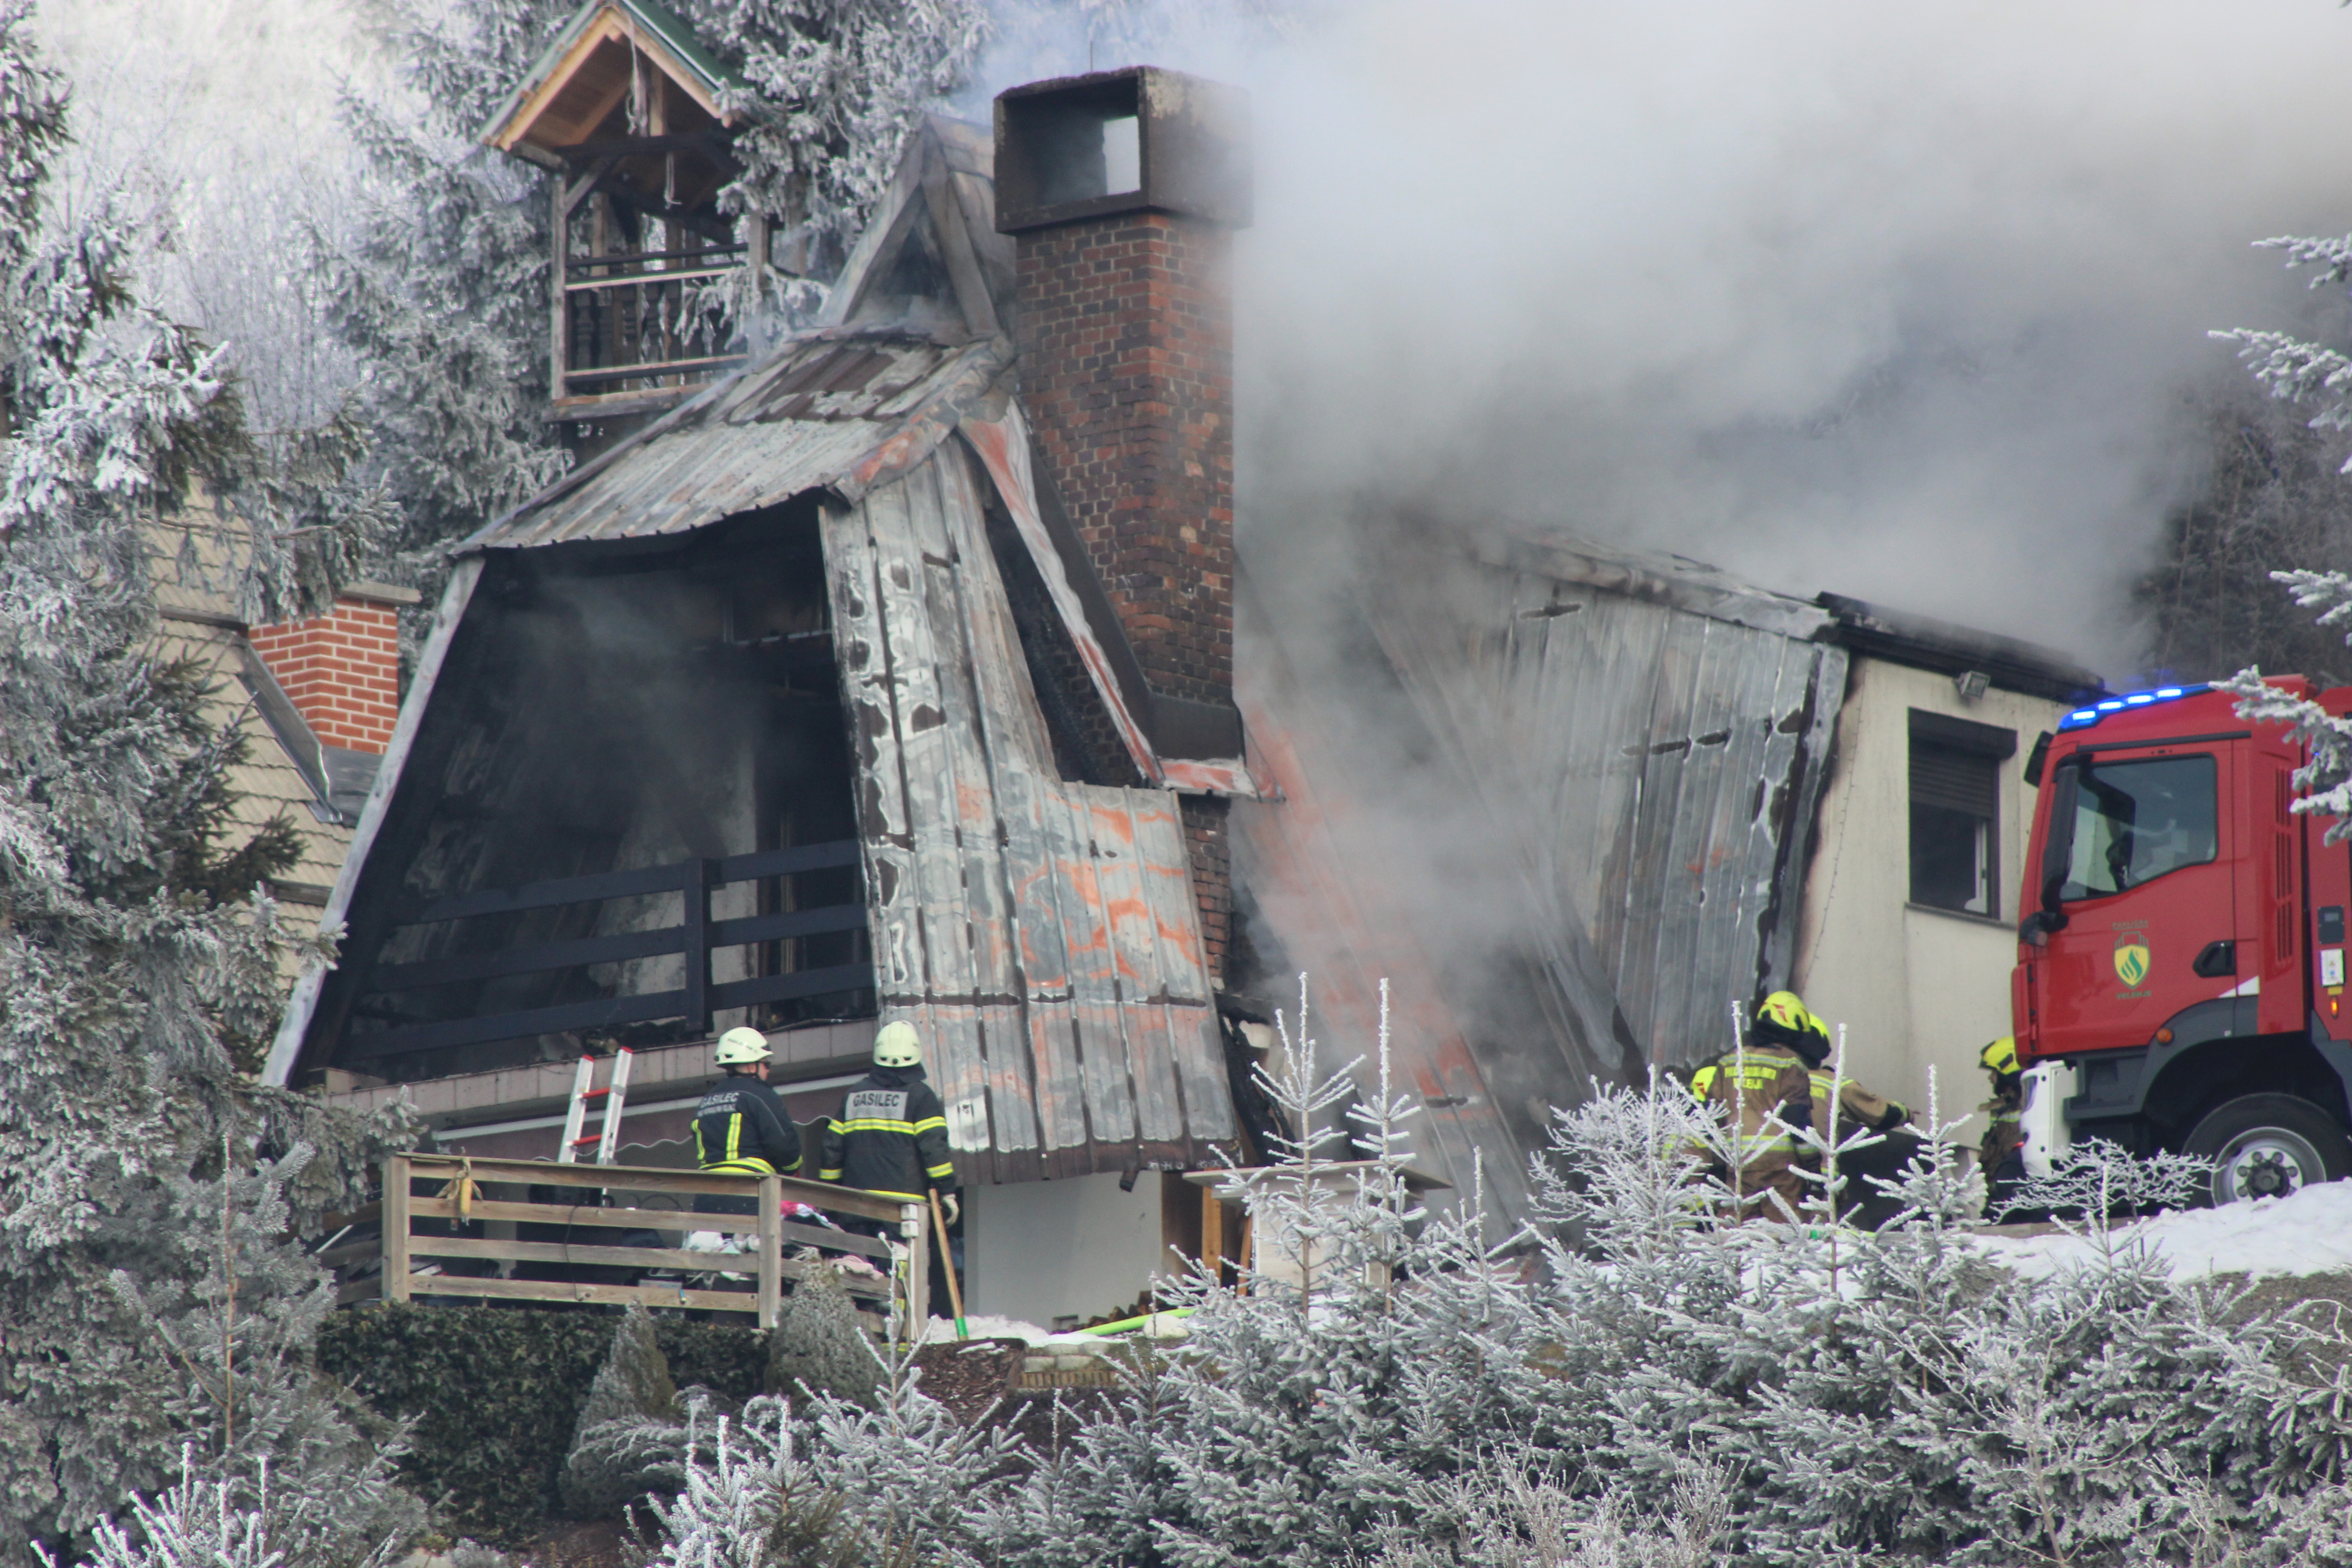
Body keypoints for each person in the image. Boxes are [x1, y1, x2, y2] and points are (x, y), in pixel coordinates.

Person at [691, 1026, 804, 1219]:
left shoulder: (707, 1100)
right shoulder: (761, 1095)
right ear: (752, 1067)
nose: (768, 1070)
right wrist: (791, 1169)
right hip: (750, 1190)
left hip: (706, 1195)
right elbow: (785, 1148)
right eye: (766, 1064)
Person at [1977, 1036, 2027, 1218]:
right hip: (1999, 1197)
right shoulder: (2007, 1106)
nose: (1991, 1078)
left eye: (1994, 1072)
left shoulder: (2028, 1105)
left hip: (2014, 1198)